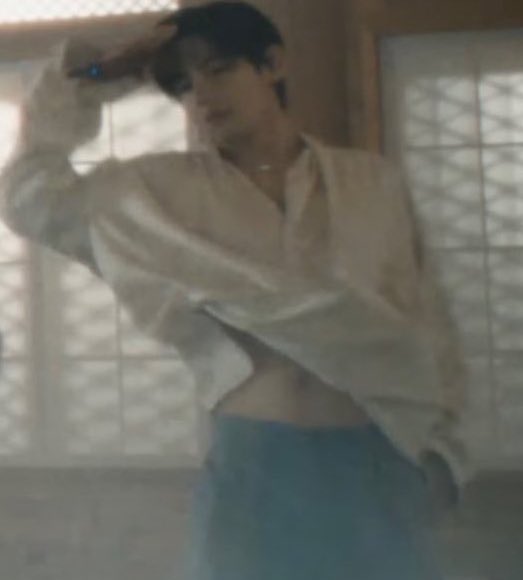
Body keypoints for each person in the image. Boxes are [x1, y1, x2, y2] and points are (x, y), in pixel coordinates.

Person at [1, 2, 469, 579]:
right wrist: (98, 74)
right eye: (182, 85)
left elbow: (427, 318)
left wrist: (442, 451)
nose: (200, 95)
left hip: (377, 456)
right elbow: (30, 196)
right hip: (256, 462)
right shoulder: (155, 193)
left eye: (218, 70)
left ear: (272, 64)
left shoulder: (369, 181)